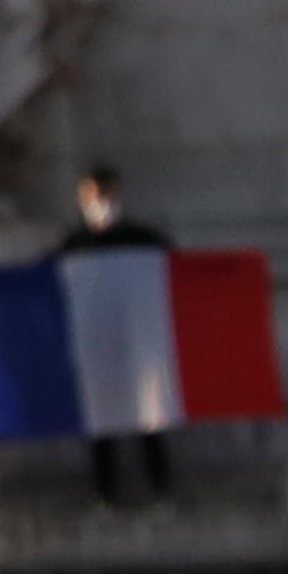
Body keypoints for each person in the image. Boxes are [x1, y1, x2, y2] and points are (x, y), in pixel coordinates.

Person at [57, 167, 173, 504]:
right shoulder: (74, 244)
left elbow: (176, 270)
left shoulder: (141, 239)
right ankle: (103, 494)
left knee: (151, 415)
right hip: (97, 345)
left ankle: (161, 489)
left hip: (139, 345)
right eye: (93, 198)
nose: (100, 204)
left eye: (104, 196)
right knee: (100, 421)